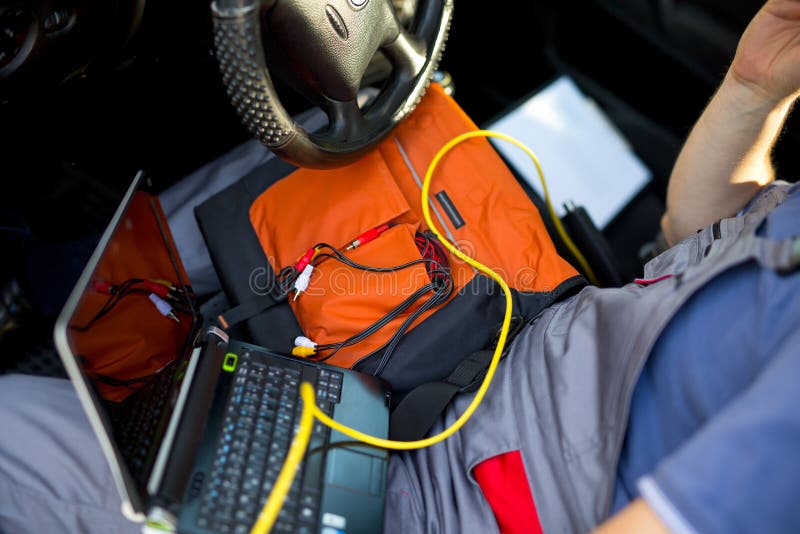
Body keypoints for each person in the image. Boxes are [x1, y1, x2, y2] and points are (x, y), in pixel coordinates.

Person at [1, 1, 799, 532]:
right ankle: (71, 293)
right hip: (484, 367)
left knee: (16, 431)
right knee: (337, 143)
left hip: (454, 497)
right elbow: (699, 231)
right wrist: (751, 86)